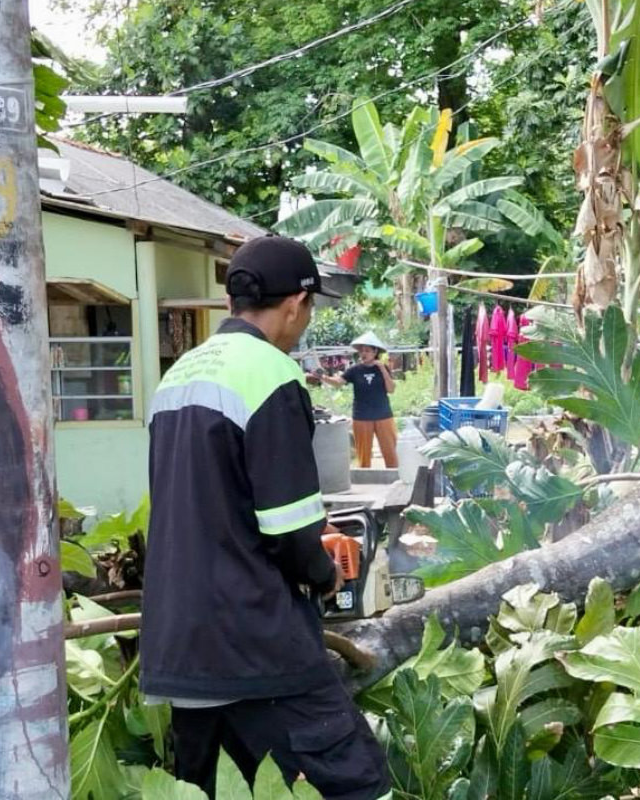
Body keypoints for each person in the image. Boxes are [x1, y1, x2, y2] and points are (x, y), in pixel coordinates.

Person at [140, 236, 390, 800]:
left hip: (178, 646)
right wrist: (325, 574)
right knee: (358, 784)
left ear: (233, 300)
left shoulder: (176, 377)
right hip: (254, 641)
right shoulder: (271, 374)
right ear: (297, 304)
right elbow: (289, 532)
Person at [313, 333, 398, 469]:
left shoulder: (383, 368)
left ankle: (395, 477)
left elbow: (391, 389)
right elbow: (338, 382)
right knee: (363, 456)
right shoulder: (354, 370)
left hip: (384, 415)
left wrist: (382, 368)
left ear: (375, 352)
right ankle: (365, 478)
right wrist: (322, 377)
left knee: (391, 452)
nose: (363, 354)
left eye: (367, 351)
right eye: (361, 351)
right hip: (361, 416)